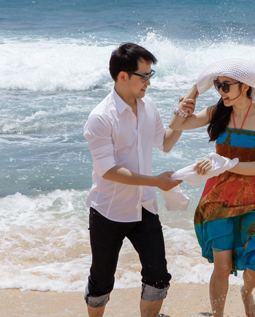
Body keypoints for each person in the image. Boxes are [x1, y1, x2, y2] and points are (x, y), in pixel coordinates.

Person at [169, 58, 255, 317]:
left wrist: (223, 164)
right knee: (221, 267)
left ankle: (247, 293)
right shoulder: (216, 112)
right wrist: (194, 90)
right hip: (220, 195)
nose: (221, 91)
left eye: (226, 85)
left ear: (246, 86)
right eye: (217, 85)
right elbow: (176, 125)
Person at [83, 43, 184, 317]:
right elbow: (108, 170)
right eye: (144, 76)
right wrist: (156, 181)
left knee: (158, 276)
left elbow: (165, 143)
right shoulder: (101, 117)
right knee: (102, 280)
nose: (148, 82)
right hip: (108, 210)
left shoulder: (148, 105)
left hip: (144, 207)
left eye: (151, 75)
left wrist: (181, 116)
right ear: (123, 76)